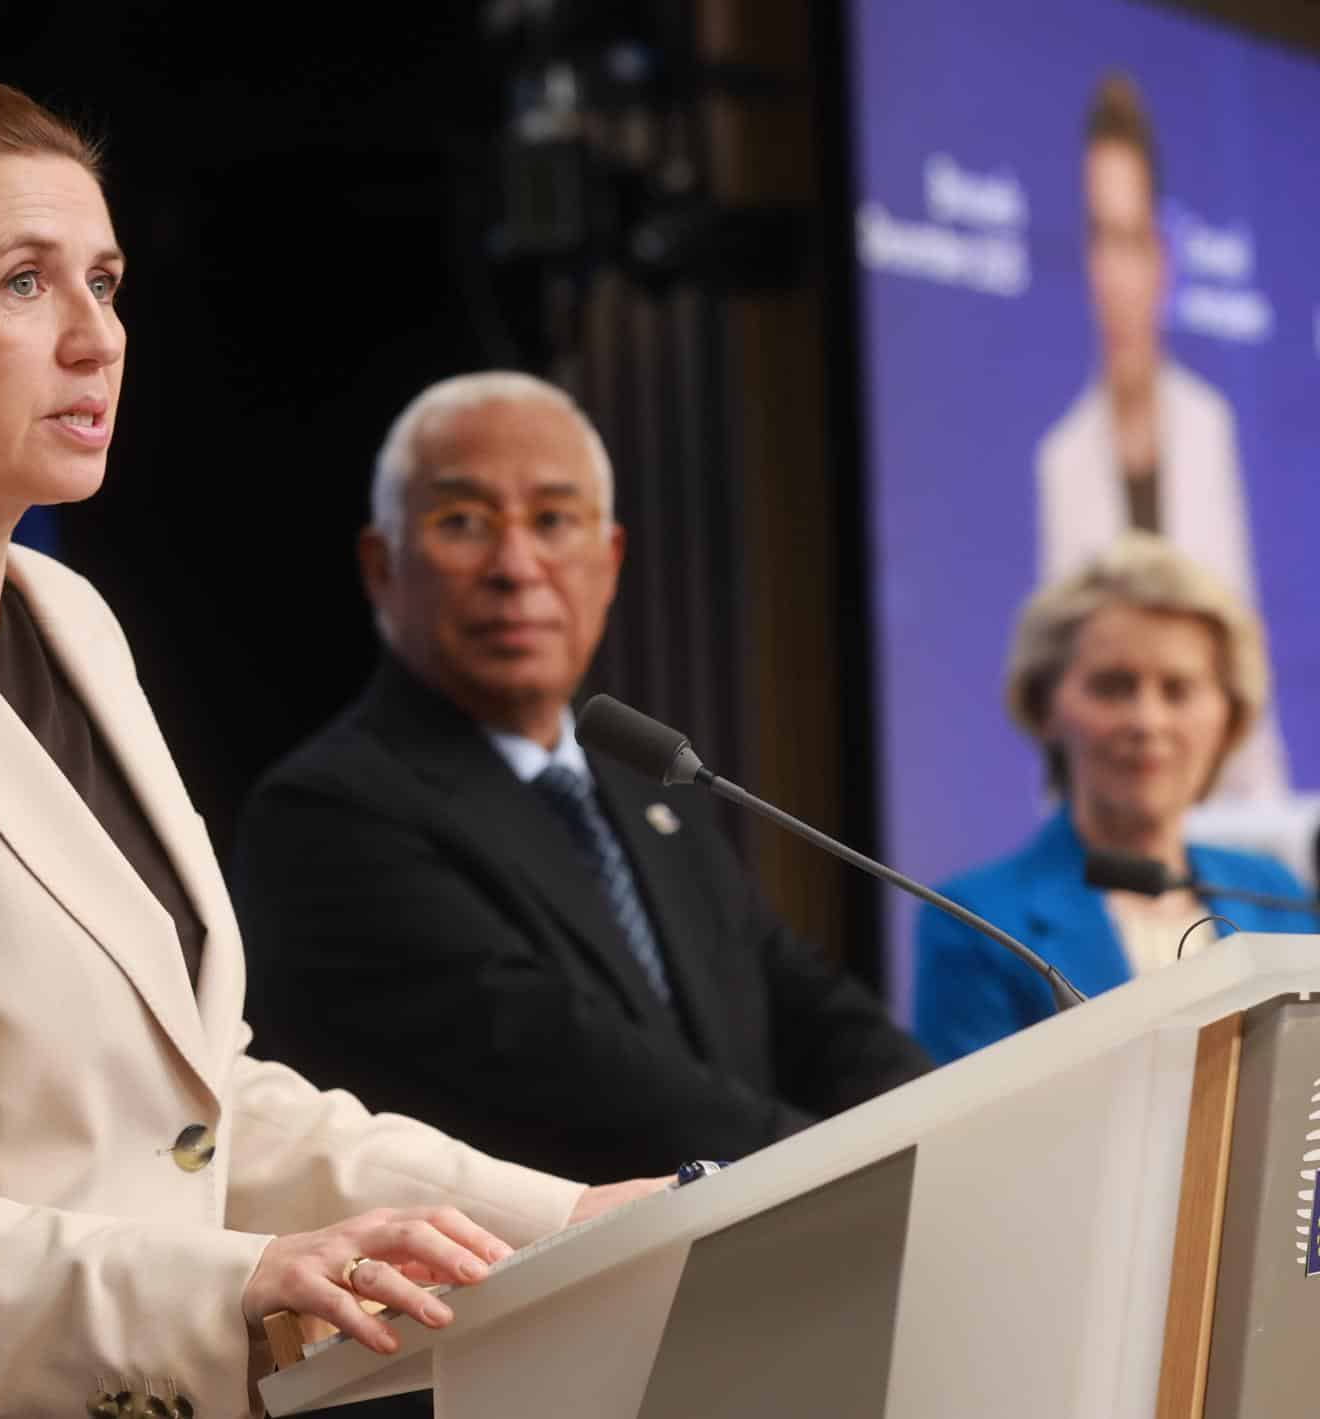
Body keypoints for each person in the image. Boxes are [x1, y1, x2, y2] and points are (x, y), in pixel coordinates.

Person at [0, 72, 666, 1419]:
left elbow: (200, 1102)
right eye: (23, 284)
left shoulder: (72, 620)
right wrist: (230, 1283)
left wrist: (569, 1220)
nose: (96, 338)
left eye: (104, 281)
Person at [232, 371, 932, 1190]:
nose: (516, 565)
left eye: (555, 520)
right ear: (382, 564)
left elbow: (806, 1008)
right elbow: (574, 1078)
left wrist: (944, 1121)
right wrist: (853, 1174)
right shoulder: (328, 814)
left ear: (609, 560)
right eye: (463, 521)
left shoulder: (648, 787)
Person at [913, 533, 1312, 1064]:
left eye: (1178, 689)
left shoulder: (1279, 897)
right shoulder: (976, 920)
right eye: (1113, 687)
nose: (1147, 722)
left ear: (1229, 717)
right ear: (1045, 705)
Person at [1034, 71, 1287, 798]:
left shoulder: (1210, 428)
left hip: (1226, 815)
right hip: (1104, 833)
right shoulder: (1061, 460)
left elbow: (1244, 669)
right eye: (1100, 240)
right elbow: (1059, 707)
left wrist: (1275, 843)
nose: (1118, 273)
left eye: (1132, 238)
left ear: (1162, 260)